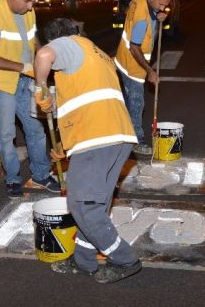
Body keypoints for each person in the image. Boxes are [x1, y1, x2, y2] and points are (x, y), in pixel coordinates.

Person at [34, 17, 141, 284]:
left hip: (99, 138)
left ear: (56, 38)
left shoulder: (68, 45)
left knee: (81, 205)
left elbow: (44, 55)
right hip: (116, 136)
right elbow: (80, 103)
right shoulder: (96, 55)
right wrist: (65, 148)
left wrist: (40, 87)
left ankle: (125, 259)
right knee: (95, 205)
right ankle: (84, 260)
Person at [0, 0, 59, 197]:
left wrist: (42, 59)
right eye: (27, 1)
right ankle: (13, 180)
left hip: (25, 79)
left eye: (33, 2)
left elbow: (33, 40)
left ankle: (41, 175)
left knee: (36, 130)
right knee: (7, 134)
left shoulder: (28, 11)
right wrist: (23, 67)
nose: (31, 7)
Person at [114, 0, 173, 155]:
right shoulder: (141, 19)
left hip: (122, 59)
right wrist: (150, 71)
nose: (163, 8)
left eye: (165, 5)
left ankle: (122, 132)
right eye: (160, 4)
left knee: (127, 102)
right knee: (136, 103)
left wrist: (157, 14)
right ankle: (136, 141)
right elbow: (134, 47)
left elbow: (150, 12)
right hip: (132, 66)